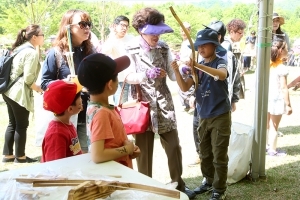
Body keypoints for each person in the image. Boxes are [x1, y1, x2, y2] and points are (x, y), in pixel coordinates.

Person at [124, 7, 196, 199]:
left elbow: (173, 75)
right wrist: (144, 75)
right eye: (152, 32)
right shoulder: (130, 48)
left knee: (173, 146)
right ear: (141, 30)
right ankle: (145, 189)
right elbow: (126, 76)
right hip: (142, 106)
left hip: (164, 105)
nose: (157, 36)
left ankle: (179, 185)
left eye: (159, 31)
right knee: (143, 152)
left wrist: (183, 72)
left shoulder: (164, 48)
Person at [171, 28, 231, 200]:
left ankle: (219, 189)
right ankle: (209, 181)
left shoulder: (219, 61)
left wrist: (197, 65)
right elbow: (184, 87)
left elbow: (222, 74)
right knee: (204, 153)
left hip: (220, 115)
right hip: (203, 115)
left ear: (214, 46)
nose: (201, 49)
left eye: (205, 45)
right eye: (199, 46)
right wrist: (176, 70)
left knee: (219, 153)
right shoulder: (196, 69)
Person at [41, 9, 96, 153]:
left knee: (83, 152)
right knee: (63, 153)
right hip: (65, 114)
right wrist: (64, 83)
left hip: (86, 109)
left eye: (89, 24)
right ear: (69, 27)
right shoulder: (55, 53)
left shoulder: (91, 52)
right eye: (83, 24)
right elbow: (45, 83)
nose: (87, 28)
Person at [77, 53, 140, 168]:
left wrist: (128, 150)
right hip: (116, 177)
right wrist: (127, 149)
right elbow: (97, 155)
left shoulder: (97, 108)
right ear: (110, 84)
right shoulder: (102, 113)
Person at [2, 24, 44, 163]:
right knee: (21, 124)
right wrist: (39, 89)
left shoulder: (19, 49)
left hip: (8, 91)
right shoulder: (31, 52)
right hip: (18, 93)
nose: (43, 37)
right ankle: (20, 157)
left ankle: (8, 155)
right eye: (42, 35)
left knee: (12, 123)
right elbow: (28, 79)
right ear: (34, 37)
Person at [42, 80, 83, 162]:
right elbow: (55, 168)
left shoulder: (67, 124)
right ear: (70, 109)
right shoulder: (56, 134)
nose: (81, 99)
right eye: (79, 96)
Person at [267, 36, 292, 156]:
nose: (288, 50)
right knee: (274, 126)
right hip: (276, 100)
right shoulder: (281, 68)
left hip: (266, 98)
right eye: (287, 48)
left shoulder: (267, 65)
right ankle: (272, 150)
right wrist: (288, 105)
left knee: (266, 125)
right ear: (281, 51)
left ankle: (266, 146)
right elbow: (283, 87)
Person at [101, 15, 134, 106]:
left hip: (133, 77)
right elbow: (104, 52)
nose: (125, 28)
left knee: (131, 104)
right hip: (119, 78)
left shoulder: (131, 38)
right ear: (115, 26)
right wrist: (112, 35)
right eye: (122, 25)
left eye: (127, 26)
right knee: (120, 104)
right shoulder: (111, 40)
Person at [222, 18, 246, 107]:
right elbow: (228, 73)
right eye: (240, 33)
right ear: (232, 32)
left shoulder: (228, 44)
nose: (242, 35)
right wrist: (232, 99)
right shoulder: (226, 45)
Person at [177, 22, 194, 112]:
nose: (183, 33)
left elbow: (191, 57)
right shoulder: (184, 42)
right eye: (182, 31)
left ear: (189, 31)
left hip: (187, 68)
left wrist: (182, 62)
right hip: (181, 67)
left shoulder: (191, 42)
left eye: (185, 31)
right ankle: (186, 104)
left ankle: (191, 103)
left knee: (188, 86)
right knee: (181, 86)